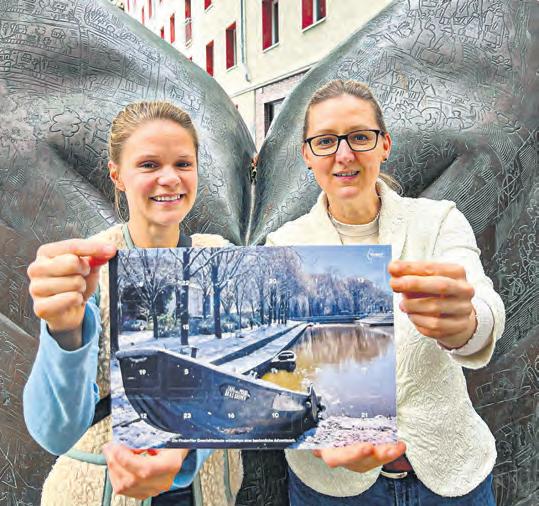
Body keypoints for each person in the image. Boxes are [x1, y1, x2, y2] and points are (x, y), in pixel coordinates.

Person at [265, 80, 505, 505]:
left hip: (450, 475)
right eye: (325, 141)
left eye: (360, 137)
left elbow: (482, 304)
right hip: (334, 485)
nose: (343, 154)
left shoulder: (438, 221)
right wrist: (310, 426)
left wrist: (467, 323)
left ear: (384, 144)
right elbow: (279, 366)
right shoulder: (283, 246)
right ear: (307, 154)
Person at [24, 101, 243, 505]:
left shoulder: (222, 260)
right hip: (101, 491)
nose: (169, 178)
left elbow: (242, 388)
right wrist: (64, 333)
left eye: (183, 163)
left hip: (207, 492)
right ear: (117, 175)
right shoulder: (87, 269)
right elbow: (54, 432)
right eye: (148, 165)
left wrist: (188, 450)